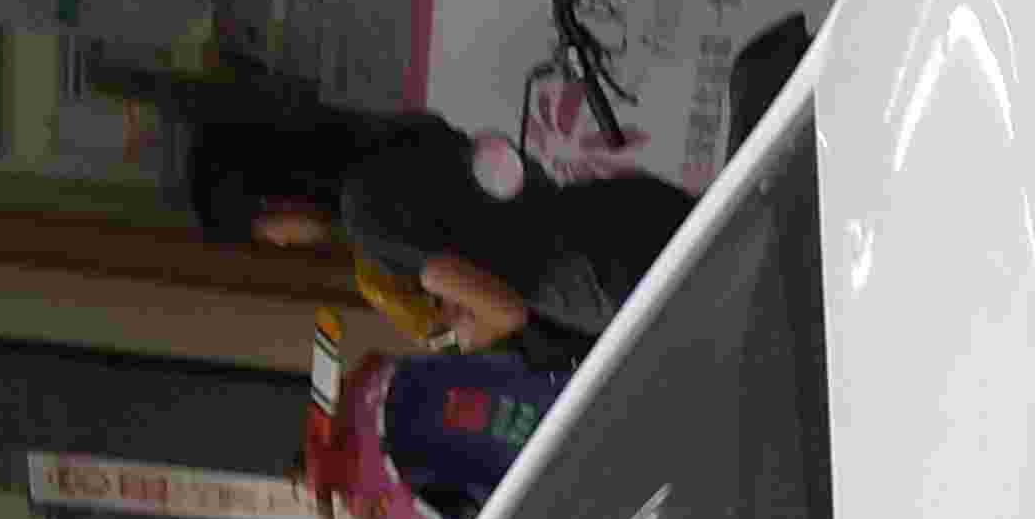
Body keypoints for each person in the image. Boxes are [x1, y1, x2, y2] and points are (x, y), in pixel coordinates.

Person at [186, 103, 700, 368]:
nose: (280, 242)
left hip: (600, 278)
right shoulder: (395, 135)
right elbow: (490, 209)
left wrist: (461, 335)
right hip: (620, 208)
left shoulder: (368, 219)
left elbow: (506, 311)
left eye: (265, 231)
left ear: (273, 198)